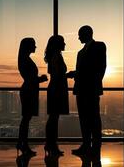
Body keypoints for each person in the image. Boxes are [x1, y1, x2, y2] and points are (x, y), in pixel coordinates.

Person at [68, 25, 106, 156]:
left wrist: (91, 81)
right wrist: (76, 74)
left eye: (80, 34)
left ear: (87, 34)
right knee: (84, 118)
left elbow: (100, 67)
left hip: (91, 89)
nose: (78, 37)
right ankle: (86, 145)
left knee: (93, 118)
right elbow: (87, 70)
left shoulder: (99, 46)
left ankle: (95, 146)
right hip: (82, 89)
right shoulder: (80, 52)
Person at [17, 37, 48, 155]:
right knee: (26, 119)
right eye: (34, 44)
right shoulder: (25, 60)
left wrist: (38, 79)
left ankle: (22, 143)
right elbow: (30, 79)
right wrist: (41, 79)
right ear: (28, 46)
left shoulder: (24, 59)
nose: (35, 47)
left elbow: (29, 78)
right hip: (29, 91)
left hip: (29, 90)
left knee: (26, 119)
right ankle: (23, 144)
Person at [44, 35, 70, 155]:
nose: (65, 44)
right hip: (57, 89)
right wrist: (67, 75)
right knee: (54, 118)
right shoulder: (56, 56)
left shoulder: (55, 55)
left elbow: (55, 73)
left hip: (55, 88)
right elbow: (57, 74)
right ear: (58, 44)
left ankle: (50, 144)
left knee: (53, 118)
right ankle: (51, 145)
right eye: (63, 42)